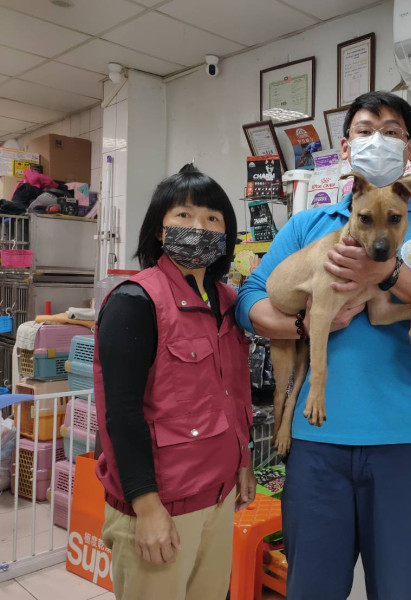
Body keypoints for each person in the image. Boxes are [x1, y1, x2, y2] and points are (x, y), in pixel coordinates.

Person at [236, 91, 411, 600]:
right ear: (347, 147)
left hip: (407, 445)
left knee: (402, 591)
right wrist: (303, 328)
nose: (379, 139)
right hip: (316, 444)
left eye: (393, 131)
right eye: (366, 130)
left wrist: (394, 274)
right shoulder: (312, 224)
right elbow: (249, 300)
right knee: (311, 588)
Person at [94, 164, 256, 600]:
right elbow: (120, 414)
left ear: (226, 235)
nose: (198, 227)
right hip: (159, 505)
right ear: (159, 231)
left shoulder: (228, 302)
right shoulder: (135, 300)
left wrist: (243, 461)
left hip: (217, 500)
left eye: (212, 218)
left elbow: (231, 391)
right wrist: (146, 508)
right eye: (183, 215)